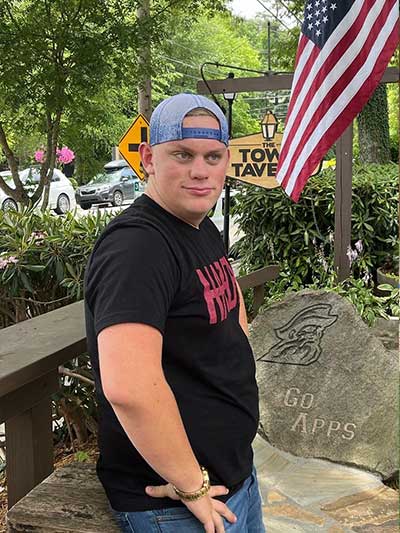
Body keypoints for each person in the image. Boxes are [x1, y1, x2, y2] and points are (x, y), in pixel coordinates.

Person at [84, 93, 265, 533]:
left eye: (212, 156)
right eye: (182, 155)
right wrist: (190, 484)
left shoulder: (198, 224)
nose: (200, 170)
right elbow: (129, 388)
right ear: (148, 157)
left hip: (232, 479)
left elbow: (228, 307)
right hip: (178, 506)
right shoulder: (137, 247)